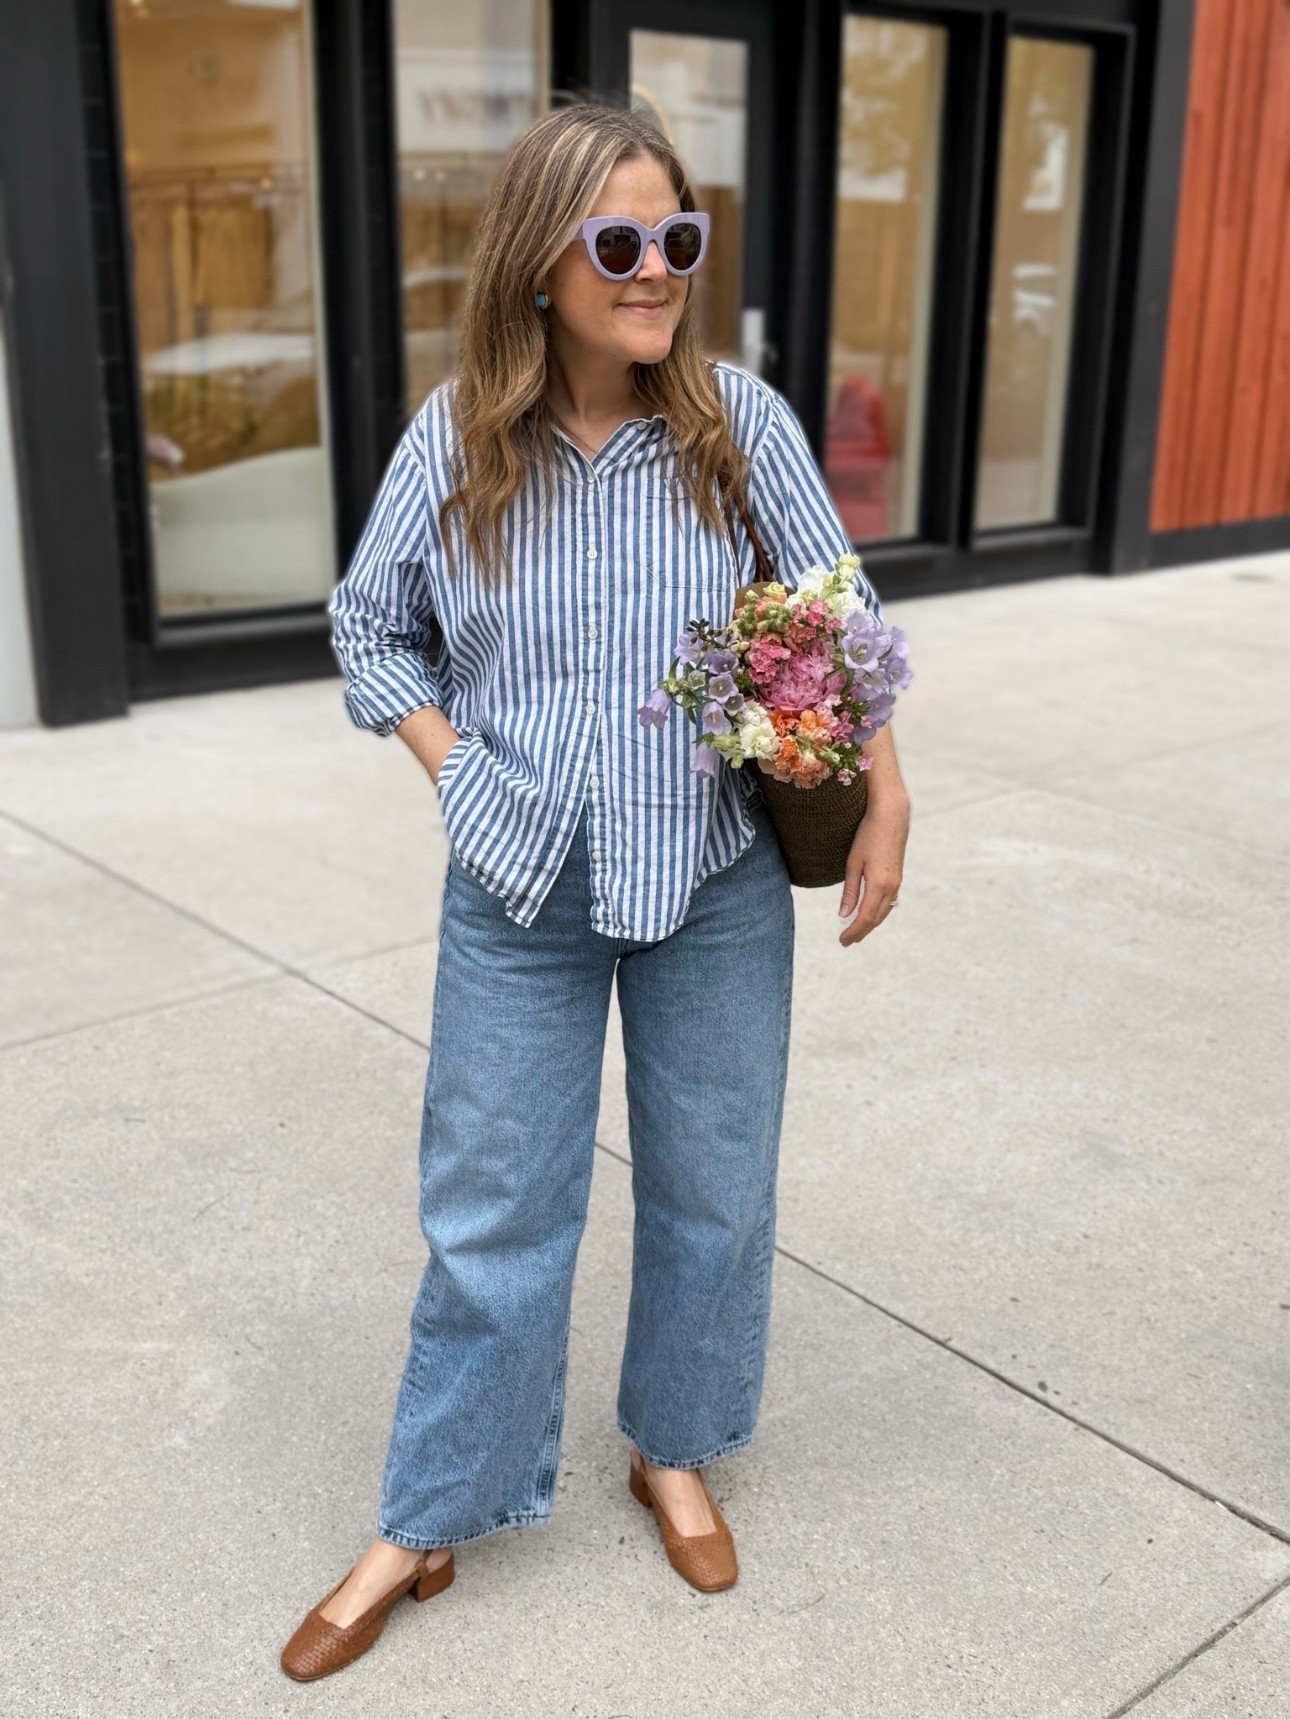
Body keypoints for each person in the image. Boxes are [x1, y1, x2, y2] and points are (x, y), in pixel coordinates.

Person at [280, 100, 910, 1683]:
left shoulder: (737, 426)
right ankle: (428, 1512)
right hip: (519, 882)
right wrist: (452, 762)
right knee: (493, 1209)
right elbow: (371, 626)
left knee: (715, 1183)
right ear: (542, 262)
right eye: (616, 243)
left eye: (676, 241)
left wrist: (886, 786)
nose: (652, 272)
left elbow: (833, 612)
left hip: (707, 871)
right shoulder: (458, 438)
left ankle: (671, 1444)